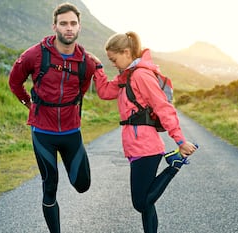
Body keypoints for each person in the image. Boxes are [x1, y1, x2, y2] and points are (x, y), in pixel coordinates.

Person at [8, 3, 100, 232]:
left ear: (79, 27)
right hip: (43, 132)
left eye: (73, 23)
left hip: (71, 132)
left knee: (83, 185)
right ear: (55, 26)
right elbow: (14, 82)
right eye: (63, 23)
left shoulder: (86, 62)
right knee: (50, 186)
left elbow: (83, 88)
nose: (68, 28)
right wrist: (28, 104)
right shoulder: (34, 54)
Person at [93, 31, 198, 233]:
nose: (112, 64)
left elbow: (163, 107)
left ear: (126, 52)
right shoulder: (127, 76)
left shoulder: (141, 75)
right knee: (147, 205)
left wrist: (179, 140)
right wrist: (98, 68)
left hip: (146, 147)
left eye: (113, 59)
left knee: (141, 203)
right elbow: (105, 92)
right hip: (135, 147)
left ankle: (174, 164)